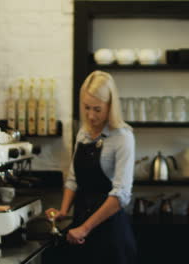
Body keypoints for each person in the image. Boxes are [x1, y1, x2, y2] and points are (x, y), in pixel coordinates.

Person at [45, 70, 137, 264]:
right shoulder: (84, 133)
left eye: (97, 109)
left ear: (110, 106)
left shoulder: (123, 137)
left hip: (109, 231)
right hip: (80, 228)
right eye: (86, 108)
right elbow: (73, 180)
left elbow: (121, 194)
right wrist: (63, 211)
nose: (90, 115)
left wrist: (85, 228)